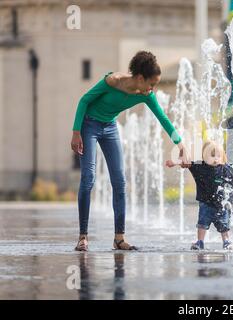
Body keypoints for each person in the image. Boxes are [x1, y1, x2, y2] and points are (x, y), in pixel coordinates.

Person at [71, 51, 188, 251]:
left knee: (119, 181)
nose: (153, 89)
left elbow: (163, 118)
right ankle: (83, 236)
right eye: (152, 83)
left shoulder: (146, 95)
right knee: (88, 178)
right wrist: (76, 132)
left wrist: (180, 143)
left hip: (110, 128)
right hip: (89, 125)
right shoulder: (113, 81)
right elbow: (84, 100)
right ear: (140, 78)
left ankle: (119, 238)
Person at [166, 141, 233, 250]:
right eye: (212, 155)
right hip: (205, 204)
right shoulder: (200, 167)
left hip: (221, 204)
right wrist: (175, 163)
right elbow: (187, 163)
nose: (216, 159)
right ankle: (200, 241)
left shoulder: (225, 168)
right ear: (204, 156)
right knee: (202, 224)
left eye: (219, 156)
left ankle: (226, 241)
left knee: (224, 225)